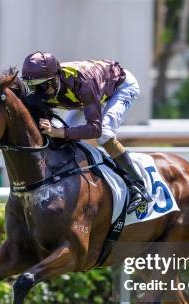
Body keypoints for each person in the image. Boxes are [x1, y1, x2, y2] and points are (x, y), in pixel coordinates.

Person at [21, 51, 152, 214]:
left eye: (42, 85)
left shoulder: (83, 83)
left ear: (55, 78)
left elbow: (95, 130)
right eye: (33, 87)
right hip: (87, 97)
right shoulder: (47, 85)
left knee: (105, 134)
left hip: (120, 87)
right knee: (61, 138)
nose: (39, 91)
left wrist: (58, 131)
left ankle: (139, 187)